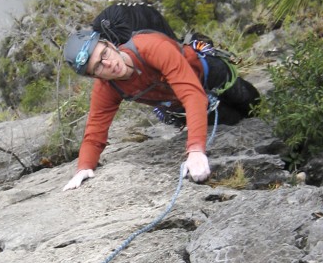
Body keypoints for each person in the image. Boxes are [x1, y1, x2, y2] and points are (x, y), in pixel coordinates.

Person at [61, 27, 259, 190]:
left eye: (104, 53)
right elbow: (94, 132)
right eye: (98, 67)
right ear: (94, 76)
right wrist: (84, 167)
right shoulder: (107, 88)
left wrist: (196, 149)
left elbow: (192, 93)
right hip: (182, 104)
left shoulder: (150, 47)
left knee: (251, 102)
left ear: (111, 45)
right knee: (233, 121)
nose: (108, 64)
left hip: (209, 75)